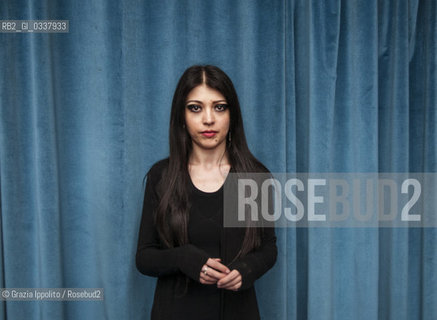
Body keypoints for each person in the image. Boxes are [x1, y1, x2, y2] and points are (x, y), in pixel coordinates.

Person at [136, 65, 277, 320]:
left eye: (219, 107)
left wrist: (247, 269)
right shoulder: (162, 176)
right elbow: (144, 257)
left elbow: (268, 248)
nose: (208, 119)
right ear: (182, 115)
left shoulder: (253, 177)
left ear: (232, 114)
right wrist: (182, 257)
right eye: (195, 108)